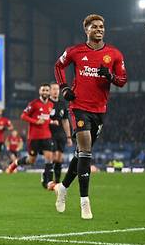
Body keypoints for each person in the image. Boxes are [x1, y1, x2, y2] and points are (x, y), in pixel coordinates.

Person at [53, 14, 127, 219]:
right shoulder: (75, 51)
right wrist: (64, 87)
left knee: (81, 155)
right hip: (78, 107)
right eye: (94, 26)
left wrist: (109, 76)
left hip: (99, 110)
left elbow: (122, 80)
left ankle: (63, 188)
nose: (99, 29)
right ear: (86, 29)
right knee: (86, 151)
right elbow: (58, 66)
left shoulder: (114, 54)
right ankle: (84, 202)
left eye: (101, 26)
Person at [5, 83, 55, 190]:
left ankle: (48, 182)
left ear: (49, 92)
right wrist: (35, 121)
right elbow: (23, 116)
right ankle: (15, 163)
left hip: (46, 136)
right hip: (34, 137)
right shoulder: (34, 104)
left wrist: (52, 121)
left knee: (49, 158)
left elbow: (46, 118)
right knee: (31, 160)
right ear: (39, 91)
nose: (45, 92)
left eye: (47, 90)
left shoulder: (51, 105)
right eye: (43, 90)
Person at [48, 83, 71, 185]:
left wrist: (69, 137)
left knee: (59, 158)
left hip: (60, 134)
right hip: (49, 133)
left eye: (57, 89)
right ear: (50, 91)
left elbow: (65, 121)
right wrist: (51, 122)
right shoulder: (47, 103)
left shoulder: (62, 104)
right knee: (53, 156)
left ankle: (57, 182)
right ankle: (47, 178)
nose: (56, 91)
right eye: (53, 89)